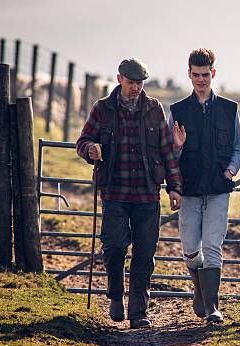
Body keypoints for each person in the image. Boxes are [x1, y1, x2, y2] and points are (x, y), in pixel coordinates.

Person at [76, 58, 182, 329]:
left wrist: (174, 187)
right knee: (113, 246)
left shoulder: (154, 108)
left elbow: (167, 150)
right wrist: (90, 149)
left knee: (145, 253)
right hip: (114, 191)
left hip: (147, 192)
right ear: (119, 79)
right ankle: (115, 294)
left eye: (139, 83)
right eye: (131, 82)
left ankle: (138, 313)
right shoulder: (102, 109)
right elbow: (83, 140)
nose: (136, 88)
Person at [169, 48, 240, 323]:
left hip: (219, 189)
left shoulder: (229, 108)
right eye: (196, 75)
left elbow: (238, 148)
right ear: (189, 74)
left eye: (205, 74)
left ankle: (211, 306)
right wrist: (177, 147)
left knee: (212, 246)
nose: (201, 79)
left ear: (213, 73)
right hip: (189, 190)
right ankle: (200, 290)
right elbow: (169, 156)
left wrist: (230, 171)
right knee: (190, 248)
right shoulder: (177, 111)